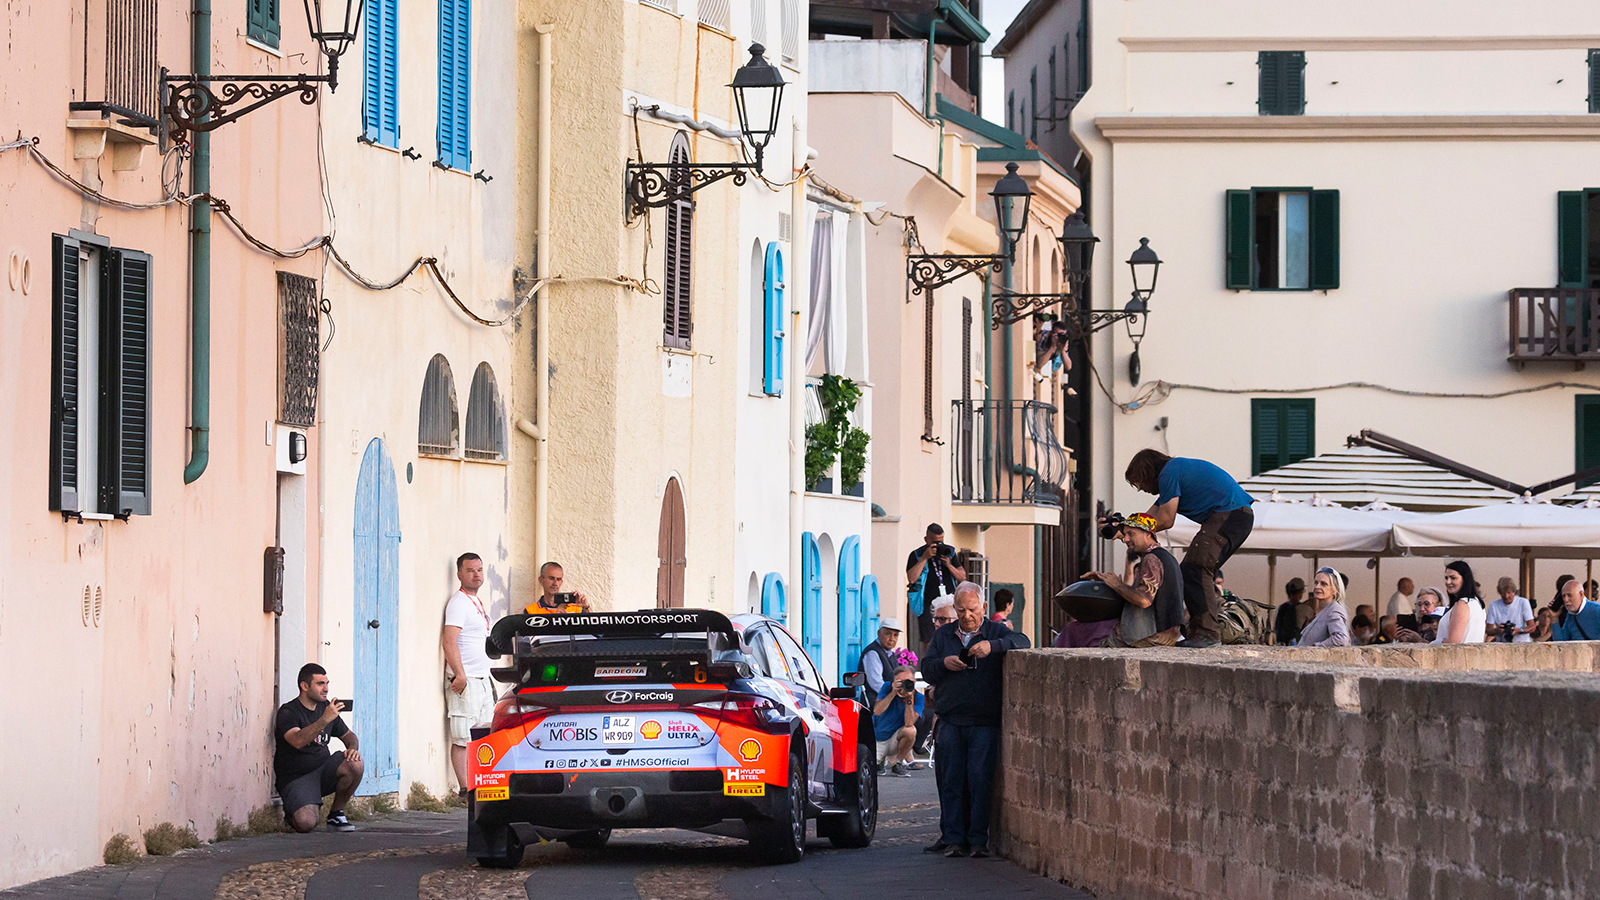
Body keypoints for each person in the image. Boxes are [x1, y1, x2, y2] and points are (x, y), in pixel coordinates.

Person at [920, 582, 1030, 858]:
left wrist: (992, 647)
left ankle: (978, 840)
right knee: (951, 782)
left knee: (980, 781)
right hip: (950, 719)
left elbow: (1023, 642)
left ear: (983, 607)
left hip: (983, 720)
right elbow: (927, 669)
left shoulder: (995, 631)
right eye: (961, 610)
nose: (966, 616)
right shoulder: (944, 635)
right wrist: (944, 664)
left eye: (972, 610)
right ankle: (954, 839)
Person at [1122, 449, 1255, 647]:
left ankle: (1208, 635)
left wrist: (1136, 534)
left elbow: (1165, 520)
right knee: (1192, 571)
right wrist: (1121, 530)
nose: (1141, 488)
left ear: (1147, 472)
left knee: (1195, 570)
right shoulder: (1174, 475)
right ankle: (1201, 632)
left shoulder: (1169, 473)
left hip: (1230, 515)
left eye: (1139, 482)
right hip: (1236, 516)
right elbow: (1144, 521)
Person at [274, 664, 364, 833]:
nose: (326, 689)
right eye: (320, 684)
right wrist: (324, 719)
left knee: (355, 763)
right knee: (306, 823)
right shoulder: (288, 712)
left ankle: (336, 814)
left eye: (327, 683)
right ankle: (294, 809)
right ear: (304, 686)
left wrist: (353, 748)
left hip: (323, 771)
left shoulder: (325, 708)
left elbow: (349, 736)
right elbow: (297, 741)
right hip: (297, 778)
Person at [1080, 513, 1185, 648]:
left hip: (1151, 636)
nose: (1125, 539)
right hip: (1164, 635)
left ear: (1148, 534)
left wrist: (1117, 585)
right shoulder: (1164, 557)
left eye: (1131, 534)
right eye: (1125, 535)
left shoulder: (1151, 559)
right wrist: (1106, 581)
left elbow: (1143, 600)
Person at [443, 552, 499, 798]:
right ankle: (466, 789)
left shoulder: (476, 602)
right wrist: (460, 675)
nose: (476, 575)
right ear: (459, 575)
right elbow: (449, 641)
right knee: (463, 736)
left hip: (482, 678)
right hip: (465, 680)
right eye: (470, 570)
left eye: (479, 570)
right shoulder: (459, 603)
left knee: (484, 735)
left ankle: (482, 784)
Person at [907, 524, 965, 649]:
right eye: (935, 542)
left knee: (953, 634)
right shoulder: (917, 554)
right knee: (929, 639)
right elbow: (911, 578)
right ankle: (930, 660)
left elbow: (962, 576)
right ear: (926, 539)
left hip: (948, 602)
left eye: (941, 541)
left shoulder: (949, 552)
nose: (938, 545)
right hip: (927, 603)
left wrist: (949, 565)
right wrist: (924, 558)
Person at [872, 666, 926, 777]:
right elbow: (877, 711)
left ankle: (898, 763)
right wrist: (893, 693)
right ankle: (880, 761)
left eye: (907, 681)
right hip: (877, 739)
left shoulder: (918, 697)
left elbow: (909, 723)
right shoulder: (887, 687)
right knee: (874, 766)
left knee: (910, 731)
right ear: (894, 681)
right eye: (900, 681)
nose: (903, 684)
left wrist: (909, 699)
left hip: (895, 740)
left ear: (914, 682)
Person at [1436, 561, 1487, 644]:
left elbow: (1453, 642)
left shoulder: (1462, 604)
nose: (1448, 582)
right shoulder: (1477, 603)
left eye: (1453, 578)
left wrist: (1433, 643)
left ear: (1465, 579)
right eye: (1446, 578)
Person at [1297, 567, 1350, 647]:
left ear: (1335, 590)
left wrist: (1317, 647)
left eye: (1323, 584)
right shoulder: (1325, 610)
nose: (1317, 587)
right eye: (1316, 583)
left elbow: (1341, 639)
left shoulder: (1334, 610)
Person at [859, 618, 903, 699]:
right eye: (888, 634)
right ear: (879, 633)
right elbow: (876, 683)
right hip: (876, 702)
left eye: (895, 635)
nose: (892, 639)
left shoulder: (891, 654)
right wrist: (893, 695)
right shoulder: (872, 653)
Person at [526, 561, 590, 613]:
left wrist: (586, 608)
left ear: (561, 582)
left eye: (558, 579)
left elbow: (593, 624)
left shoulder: (575, 606)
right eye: (551, 578)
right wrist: (557, 617)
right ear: (541, 580)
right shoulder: (530, 611)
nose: (555, 583)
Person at [1487, 577, 1536, 643]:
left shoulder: (1523, 602)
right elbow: (1488, 630)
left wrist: (1519, 630)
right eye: (1503, 593)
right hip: (1502, 644)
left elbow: (1532, 627)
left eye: (1509, 593)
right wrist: (1497, 631)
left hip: (1522, 643)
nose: (1506, 596)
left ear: (1514, 592)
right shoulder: (1493, 605)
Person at [1274, 577, 1306, 646]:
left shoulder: (1282, 608)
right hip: (1297, 645)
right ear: (1300, 591)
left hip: (1282, 645)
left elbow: (1277, 627)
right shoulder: (1304, 609)